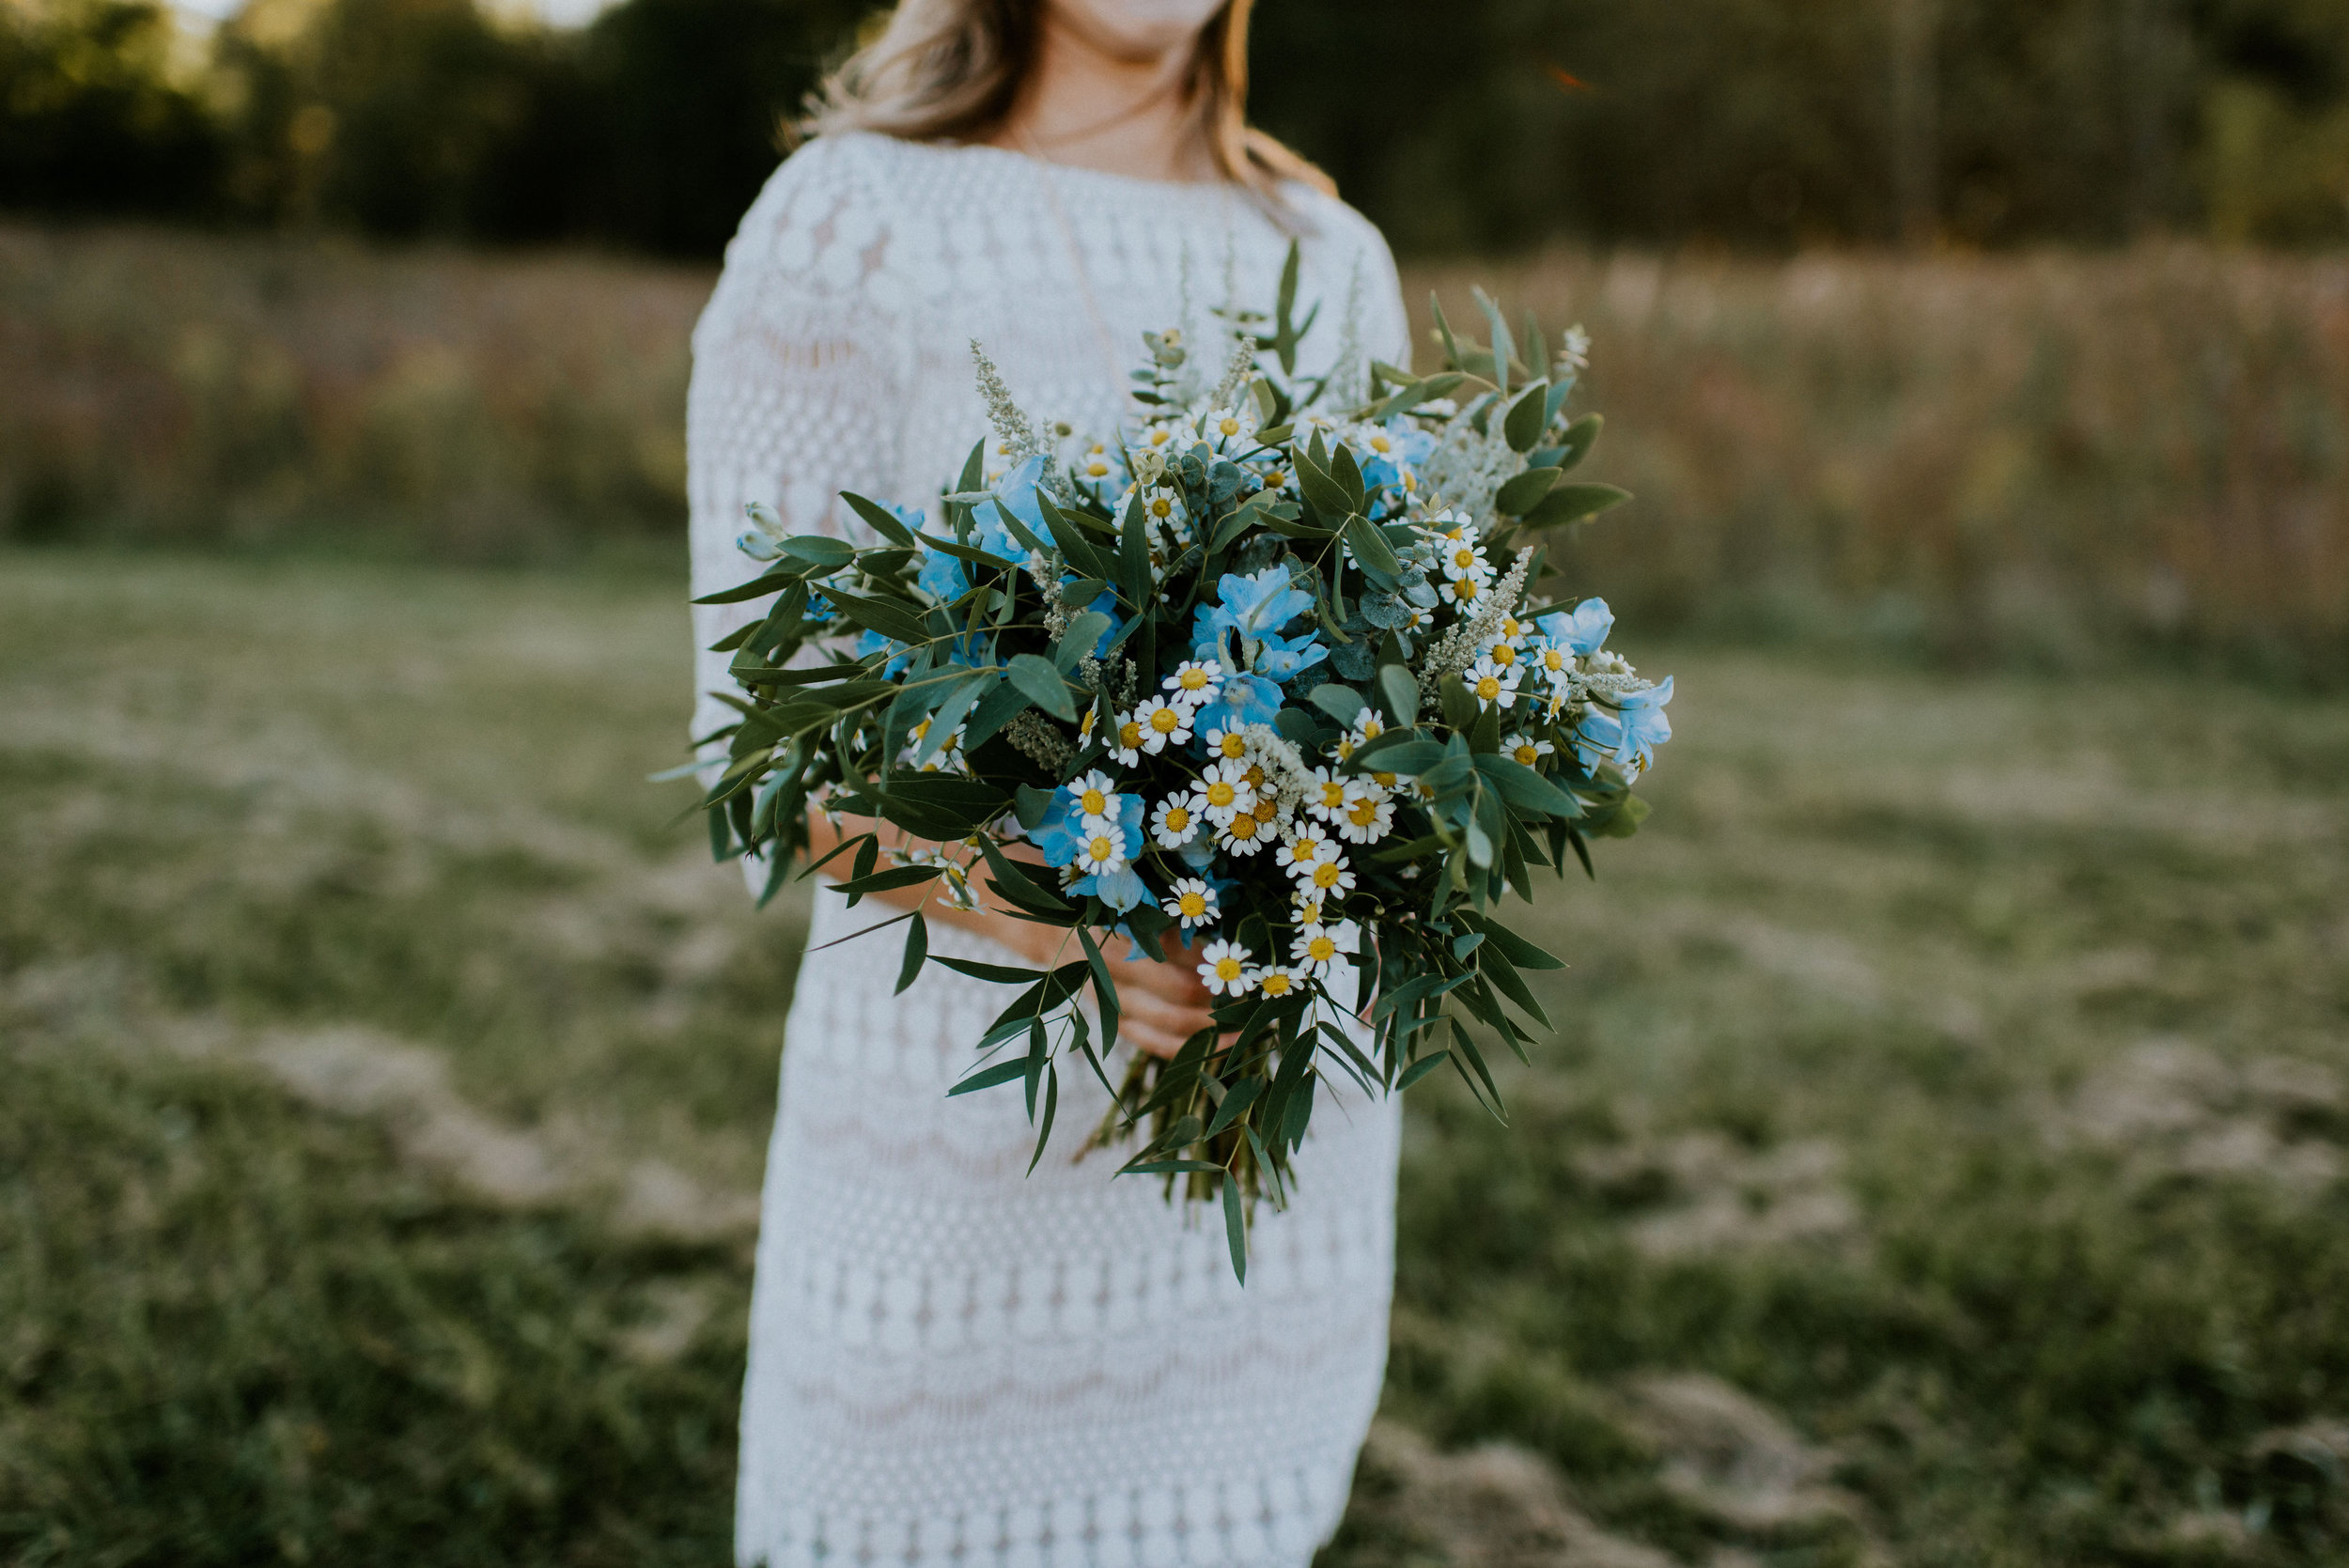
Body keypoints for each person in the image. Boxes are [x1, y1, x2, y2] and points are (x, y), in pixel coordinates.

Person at [684, 2, 1410, 1561]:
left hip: (1255, 1165)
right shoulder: (852, 223)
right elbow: (771, 756)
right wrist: (1054, 914)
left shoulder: (1331, 258)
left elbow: (1393, 691)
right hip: (962, 1168)